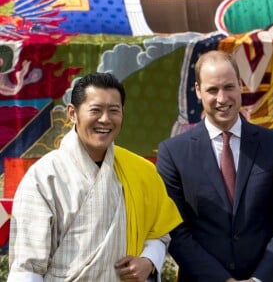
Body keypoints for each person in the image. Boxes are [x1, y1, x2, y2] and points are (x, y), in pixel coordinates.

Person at [8, 72, 182, 281]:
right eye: (96, 110)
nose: (105, 119)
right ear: (72, 113)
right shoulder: (44, 177)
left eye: (114, 111)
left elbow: (160, 232)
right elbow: (28, 268)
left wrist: (148, 261)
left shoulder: (141, 171)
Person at [156, 50, 273, 282]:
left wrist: (259, 279)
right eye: (213, 90)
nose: (222, 98)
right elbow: (177, 231)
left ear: (241, 86)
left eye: (229, 87)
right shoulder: (173, 153)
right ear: (198, 91)